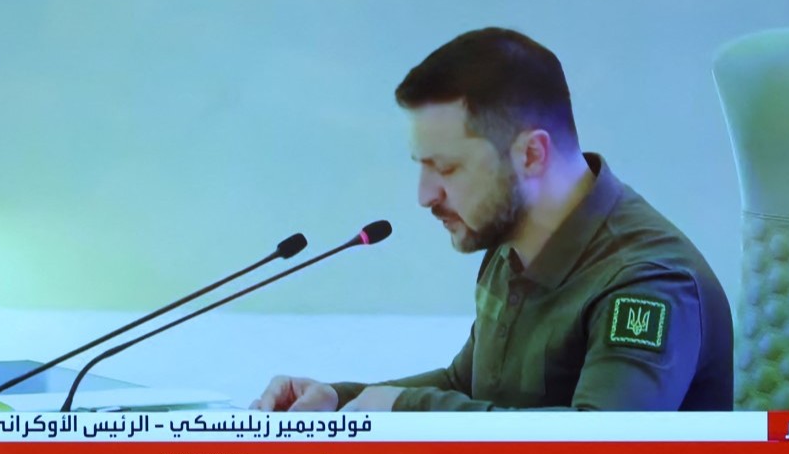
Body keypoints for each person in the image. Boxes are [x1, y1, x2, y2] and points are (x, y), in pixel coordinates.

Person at [253, 28, 733, 413]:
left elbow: (600, 452)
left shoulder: (647, 283)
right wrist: (340, 399)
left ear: (531, 154)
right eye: (422, 166)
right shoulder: (510, 246)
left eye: (447, 168)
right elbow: (469, 385)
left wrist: (406, 408)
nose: (424, 196)